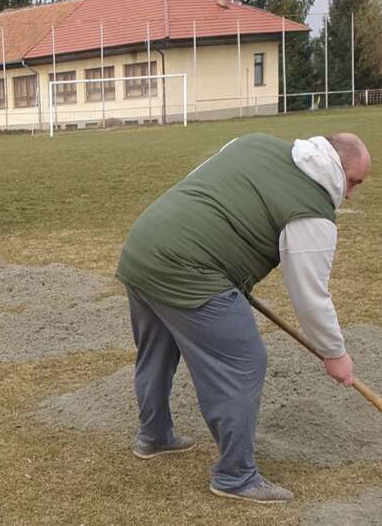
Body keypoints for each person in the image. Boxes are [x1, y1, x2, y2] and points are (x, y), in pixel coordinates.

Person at [116, 132, 370, 504]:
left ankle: (153, 436)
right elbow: (310, 297)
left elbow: (202, 188)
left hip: (143, 248)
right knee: (243, 361)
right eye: (353, 182)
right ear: (337, 166)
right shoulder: (313, 209)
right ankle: (235, 475)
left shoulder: (253, 142)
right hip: (191, 268)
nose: (348, 194)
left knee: (157, 349)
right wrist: (335, 354)